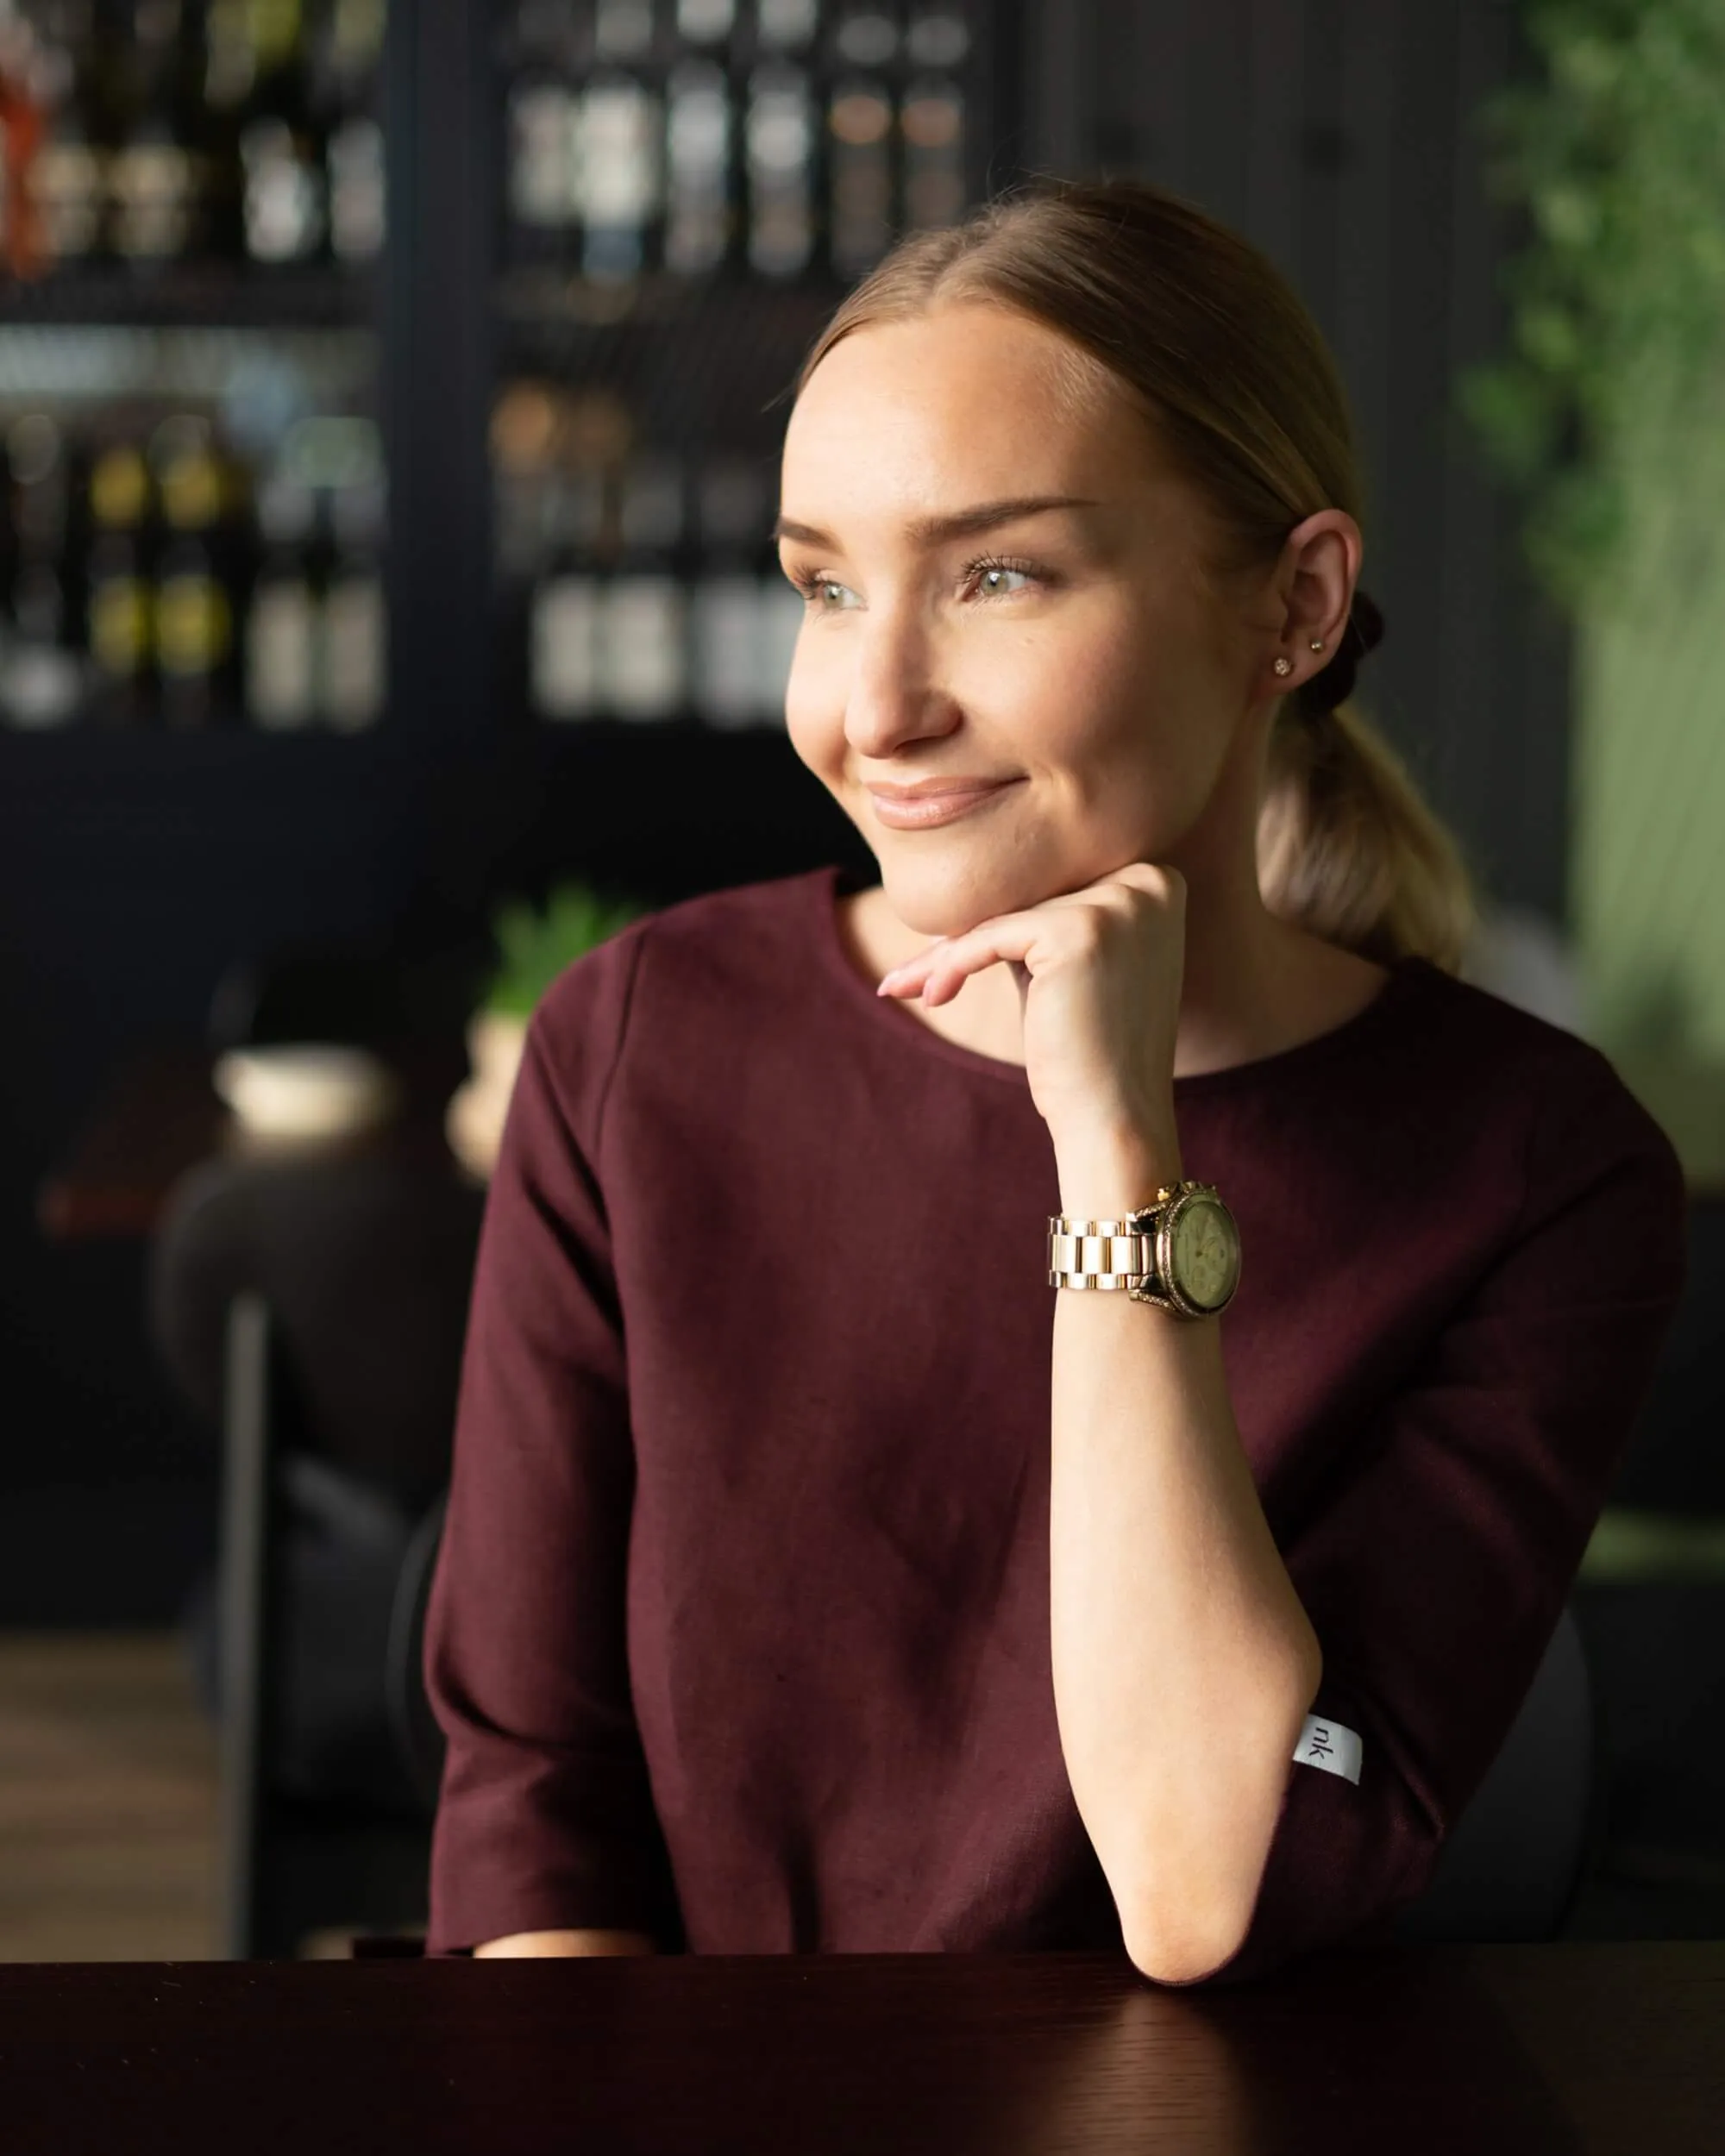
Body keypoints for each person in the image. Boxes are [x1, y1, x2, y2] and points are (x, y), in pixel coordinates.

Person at [420, 178, 1686, 1985]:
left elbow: (1209, 1888)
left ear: (1295, 604)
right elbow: (535, 1804)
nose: (874, 702)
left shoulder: (1538, 1173)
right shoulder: (641, 1044)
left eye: (998, 574)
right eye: (824, 584)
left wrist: (1111, 1151)